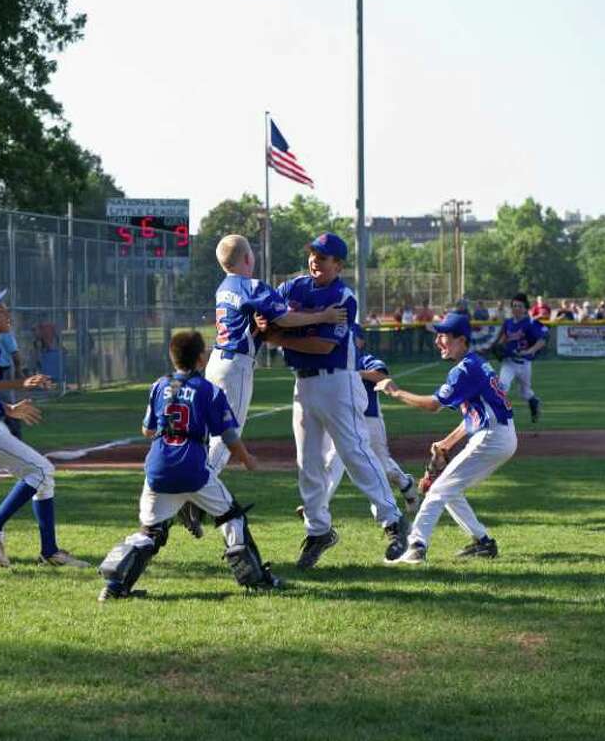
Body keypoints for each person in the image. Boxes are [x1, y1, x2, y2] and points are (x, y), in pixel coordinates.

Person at [257, 232, 409, 569]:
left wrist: (281, 335)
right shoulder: (293, 287)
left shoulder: (343, 296)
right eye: (313, 253)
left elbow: (322, 346)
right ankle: (318, 531)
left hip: (338, 382)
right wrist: (276, 328)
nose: (315, 260)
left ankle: (393, 521)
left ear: (338, 265)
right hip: (303, 384)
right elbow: (266, 319)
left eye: (323, 257)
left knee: (354, 453)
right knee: (308, 461)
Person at [96, 331, 279, 601]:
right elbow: (228, 435)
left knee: (150, 533)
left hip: (158, 467)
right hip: (193, 467)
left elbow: (147, 430)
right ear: (201, 359)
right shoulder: (209, 390)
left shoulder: (158, 386)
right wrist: (246, 458)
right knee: (231, 516)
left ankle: (114, 587)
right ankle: (257, 579)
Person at [189, 234, 345, 538]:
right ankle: (195, 492)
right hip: (236, 365)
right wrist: (323, 315)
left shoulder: (224, 287)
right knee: (226, 436)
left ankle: (194, 495)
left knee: (211, 434)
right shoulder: (251, 285)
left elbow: (259, 320)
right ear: (248, 259)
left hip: (216, 362)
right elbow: (286, 319)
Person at [0, 289, 88, 569]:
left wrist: (8, 409)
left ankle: (49, 551)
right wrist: (19, 384)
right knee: (41, 469)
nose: (7, 313)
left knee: (44, 477)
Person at [376, 310, 517, 564]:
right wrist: (446, 443)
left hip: (492, 437)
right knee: (449, 489)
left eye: (444, 336)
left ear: (462, 339)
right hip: (498, 435)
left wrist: (395, 392)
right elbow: (473, 417)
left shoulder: (464, 370)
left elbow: (433, 405)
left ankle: (416, 547)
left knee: (437, 491)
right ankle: (483, 542)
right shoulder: (476, 363)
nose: (438, 341)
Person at [318, 328, 421, 517]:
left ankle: (405, 483)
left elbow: (382, 376)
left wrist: (355, 373)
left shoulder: (365, 359)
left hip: (370, 419)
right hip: (345, 420)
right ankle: (319, 504)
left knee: (381, 467)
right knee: (335, 457)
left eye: (351, 337)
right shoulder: (336, 360)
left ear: (361, 342)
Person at [489, 293, 546, 423]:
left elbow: (543, 340)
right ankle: (500, 415)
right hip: (509, 362)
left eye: (519, 306)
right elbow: (502, 338)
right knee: (502, 386)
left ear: (525, 308)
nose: (516, 308)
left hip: (525, 363)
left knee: (525, 392)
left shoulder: (530, 323)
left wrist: (530, 351)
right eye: (514, 306)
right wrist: (496, 346)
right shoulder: (508, 322)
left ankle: (534, 402)